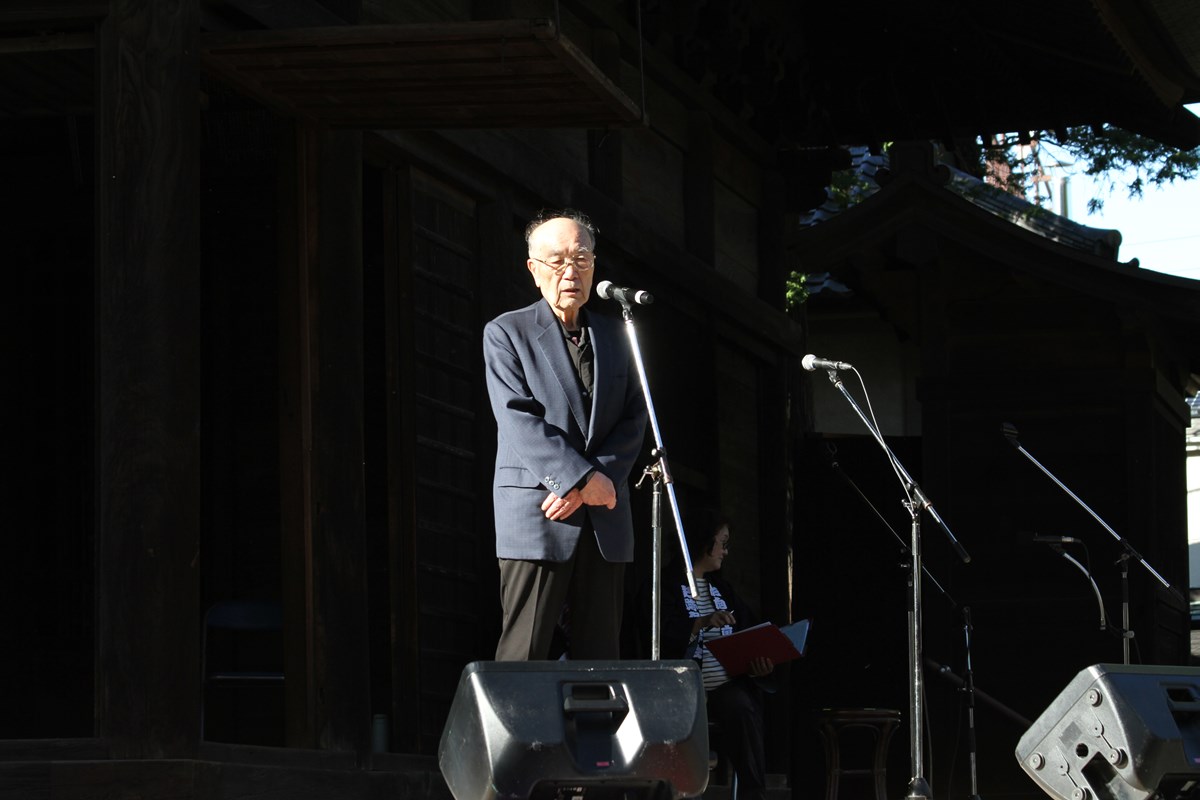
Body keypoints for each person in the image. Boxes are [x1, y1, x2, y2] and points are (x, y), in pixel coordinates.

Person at [483, 209, 648, 661]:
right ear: (533, 269)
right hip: (539, 513)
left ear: (594, 265)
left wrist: (599, 481)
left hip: (605, 514)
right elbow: (517, 416)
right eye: (556, 261)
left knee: (600, 660)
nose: (570, 271)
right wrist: (578, 480)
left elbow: (636, 417)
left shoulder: (618, 336)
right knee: (524, 654)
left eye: (581, 258)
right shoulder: (507, 332)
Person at [662, 506, 774, 800]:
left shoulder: (722, 589)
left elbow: (749, 632)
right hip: (682, 690)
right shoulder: (665, 586)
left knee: (742, 704)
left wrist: (758, 664)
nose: (725, 551)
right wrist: (699, 623)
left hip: (725, 689)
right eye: (722, 543)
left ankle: (754, 794)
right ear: (705, 542)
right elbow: (658, 635)